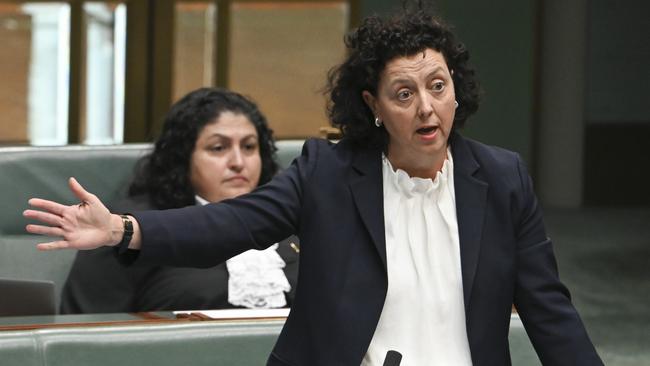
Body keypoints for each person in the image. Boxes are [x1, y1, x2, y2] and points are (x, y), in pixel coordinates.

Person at [24, 3, 603, 366]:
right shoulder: (329, 172)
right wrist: (124, 229)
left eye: (438, 85)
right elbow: (233, 223)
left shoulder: (501, 178)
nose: (428, 108)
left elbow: (549, 310)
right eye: (405, 94)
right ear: (374, 106)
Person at [60, 87, 299, 313]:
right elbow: (86, 330)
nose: (238, 161)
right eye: (218, 148)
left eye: (249, 147)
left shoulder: (293, 221)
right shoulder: (124, 227)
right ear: (183, 157)